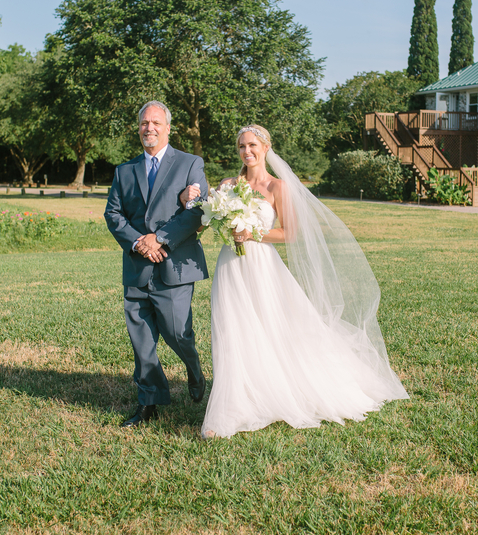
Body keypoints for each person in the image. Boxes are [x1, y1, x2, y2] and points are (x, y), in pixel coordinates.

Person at [179, 125, 408, 439]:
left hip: (262, 265)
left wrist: (252, 233)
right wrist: (202, 210)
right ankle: (234, 402)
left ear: (266, 147)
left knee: (271, 326)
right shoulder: (228, 185)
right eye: (241, 147)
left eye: (252, 146)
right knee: (232, 329)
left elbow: (290, 233)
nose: (247, 152)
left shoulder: (278, 187)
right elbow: (208, 219)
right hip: (230, 265)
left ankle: (274, 389)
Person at [105, 101, 210, 428]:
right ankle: (148, 402)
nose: (149, 128)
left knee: (179, 333)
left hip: (175, 266)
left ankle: (194, 371)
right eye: (144, 123)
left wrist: (159, 239)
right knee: (142, 340)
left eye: (155, 123)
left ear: (168, 127)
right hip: (137, 266)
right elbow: (113, 214)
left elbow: (198, 211)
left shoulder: (191, 163)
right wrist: (139, 242)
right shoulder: (124, 170)